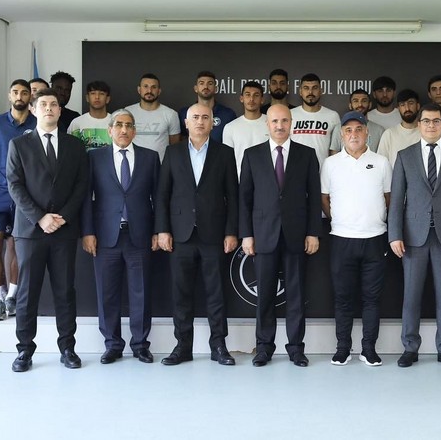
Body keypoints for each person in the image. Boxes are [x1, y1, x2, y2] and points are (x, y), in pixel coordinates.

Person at [6, 87, 88, 372]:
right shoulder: (19, 145)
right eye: (43, 104)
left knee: (65, 291)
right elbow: (15, 185)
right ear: (33, 109)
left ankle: (67, 348)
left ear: (60, 110)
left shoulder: (75, 145)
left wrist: (63, 216)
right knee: (27, 293)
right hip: (30, 231)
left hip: (64, 230)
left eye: (54, 104)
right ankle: (24, 350)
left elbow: (82, 185)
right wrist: (40, 218)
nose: (49, 108)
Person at [388, 103, 441, 368]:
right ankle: (409, 348)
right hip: (413, 237)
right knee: (411, 296)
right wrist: (394, 235)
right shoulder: (405, 156)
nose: (431, 125)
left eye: (436, 121)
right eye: (426, 121)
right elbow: (396, 199)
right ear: (419, 124)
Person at [239, 104, 322, 367]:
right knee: (265, 295)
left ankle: (296, 348)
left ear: (291, 123)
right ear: (267, 124)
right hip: (263, 235)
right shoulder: (252, 155)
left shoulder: (306, 154)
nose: (279, 125)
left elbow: (314, 198)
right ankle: (264, 348)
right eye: (275, 121)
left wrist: (313, 232)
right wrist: (246, 235)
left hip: (296, 235)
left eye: (284, 121)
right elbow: (245, 199)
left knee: (296, 295)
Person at [156, 104, 239, 366]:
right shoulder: (173, 152)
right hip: (180, 235)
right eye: (195, 117)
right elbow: (162, 194)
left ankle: (219, 346)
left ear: (213, 123)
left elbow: (233, 196)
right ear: (186, 123)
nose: (200, 122)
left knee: (216, 293)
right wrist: (163, 229)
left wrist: (231, 231)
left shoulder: (225, 153)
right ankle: (182, 346)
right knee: (181, 294)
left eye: (205, 117)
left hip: (214, 235)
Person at [82, 109, 159, 365]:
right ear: (110, 130)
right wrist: (88, 232)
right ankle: (112, 344)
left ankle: (140, 345)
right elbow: (86, 197)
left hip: (140, 235)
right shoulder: (94, 158)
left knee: (142, 293)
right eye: (119, 125)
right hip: (105, 237)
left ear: (134, 131)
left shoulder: (150, 157)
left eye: (128, 125)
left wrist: (157, 231)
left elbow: (158, 198)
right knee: (107, 294)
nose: (124, 130)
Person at [321, 111, 392, 366]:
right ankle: (343, 348)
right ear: (341, 135)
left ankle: (368, 349)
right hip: (342, 239)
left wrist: (374, 218)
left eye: (359, 129)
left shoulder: (381, 162)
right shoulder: (331, 164)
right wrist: (340, 219)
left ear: (367, 133)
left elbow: (389, 197)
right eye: (348, 130)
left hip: (374, 238)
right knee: (343, 298)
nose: (354, 134)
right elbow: (324, 198)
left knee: (372, 299)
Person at [0, 79, 36, 321]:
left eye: (24, 92)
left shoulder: (37, 123)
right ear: (9, 95)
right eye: (15, 92)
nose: (20, 96)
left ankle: (12, 296)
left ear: (30, 97)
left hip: (24, 194)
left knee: (15, 245)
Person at [126, 73, 181, 162]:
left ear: (159, 91)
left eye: (154, 87)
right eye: (145, 86)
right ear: (139, 90)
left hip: (161, 166)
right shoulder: (127, 113)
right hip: (133, 165)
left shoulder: (171, 114)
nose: (149, 90)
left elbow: (174, 146)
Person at [290, 73, 341, 168]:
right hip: (295, 171)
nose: (310, 92)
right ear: (300, 91)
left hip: (323, 172)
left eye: (315, 88)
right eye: (306, 88)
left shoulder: (332, 116)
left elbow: (335, 150)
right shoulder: (290, 114)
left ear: (321, 91)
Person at [223, 80, 269, 175]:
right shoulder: (230, 127)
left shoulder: (272, 124)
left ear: (262, 99)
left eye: (256, 95)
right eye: (247, 95)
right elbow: (227, 161)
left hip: (266, 179)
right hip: (240, 179)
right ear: (241, 98)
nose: (251, 99)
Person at [178, 70, 236, 143]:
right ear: (196, 88)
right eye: (201, 83)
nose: (206, 87)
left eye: (210, 83)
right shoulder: (184, 113)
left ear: (216, 89)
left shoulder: (228, 114)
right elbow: (180, 141)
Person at [377, 89, 421, 166]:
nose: (407, 108)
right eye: (402, 105)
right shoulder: (389, 134)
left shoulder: (427, 132)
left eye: (411, 103)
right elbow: (380, 165)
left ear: (418, 106)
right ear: (398, 108)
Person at [68, 80, 113, 149]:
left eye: (101, 94)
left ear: (107, 99)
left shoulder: (115, 122)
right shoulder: (76, 123)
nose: (97, 97)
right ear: (87, 98)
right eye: (93, 93)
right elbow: (70, 149)